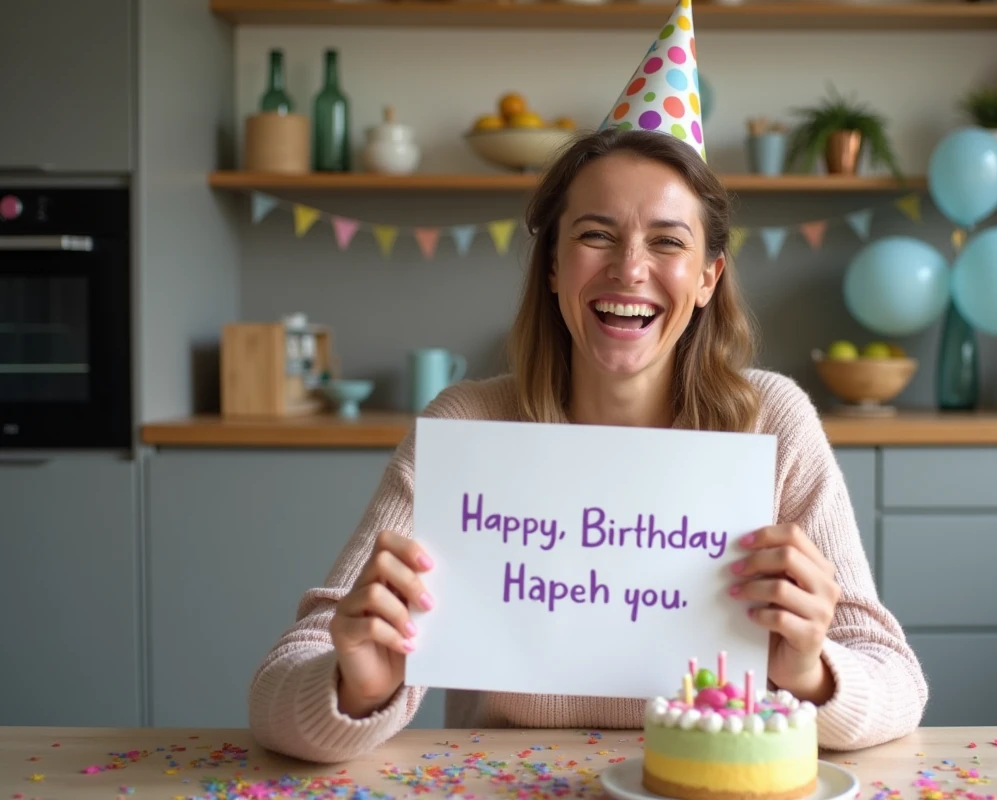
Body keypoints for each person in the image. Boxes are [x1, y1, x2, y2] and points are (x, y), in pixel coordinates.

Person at [248, 0, 927, 765]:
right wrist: (359, 682)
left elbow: (898, 682)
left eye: (666, 242)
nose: (628, 269)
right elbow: (278, 689)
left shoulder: (772, 423)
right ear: (550, 265)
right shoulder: (470, 425)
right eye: (595, 234)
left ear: (708, 278)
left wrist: (807, 667)